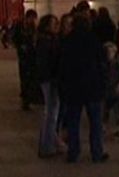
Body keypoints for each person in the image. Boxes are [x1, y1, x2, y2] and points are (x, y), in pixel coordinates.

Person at [58, 12, 109, 163]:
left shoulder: (67, 41)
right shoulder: (94, 40)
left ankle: (73, 152)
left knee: (73, 122)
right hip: (92, 86)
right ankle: (97, 153)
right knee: (95, 123)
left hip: (74, 87)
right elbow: (102, 63)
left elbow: (62, 67)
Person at [36, 14, 63, 158]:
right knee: (51, 113)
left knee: (51, 113)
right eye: (54, 24)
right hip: (50, 80)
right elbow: (48, 62)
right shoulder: (46, 41)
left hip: (48, 78)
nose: (56, 26)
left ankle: (48, 143)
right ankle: (47, 146)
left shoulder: (46, 40)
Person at [13, 9, 39, 110]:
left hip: (32, 55)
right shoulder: (20, 26)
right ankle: (25, 99)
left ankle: (29, 97)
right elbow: (15, 39)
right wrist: (20, 46)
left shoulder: (33, 27)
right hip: (23, 56)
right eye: (31, 18)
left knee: (31, 77)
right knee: (24, 77)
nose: (32, 20)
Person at [103, 43, 119, 140]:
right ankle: (103, 127)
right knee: (105, 110)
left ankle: (118, 129)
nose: (109, 54)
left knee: (118, 111)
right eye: (108, 52)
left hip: (116, 91)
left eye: (111, 52)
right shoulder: (103, 64)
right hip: (106, 91)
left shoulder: (118, 64)